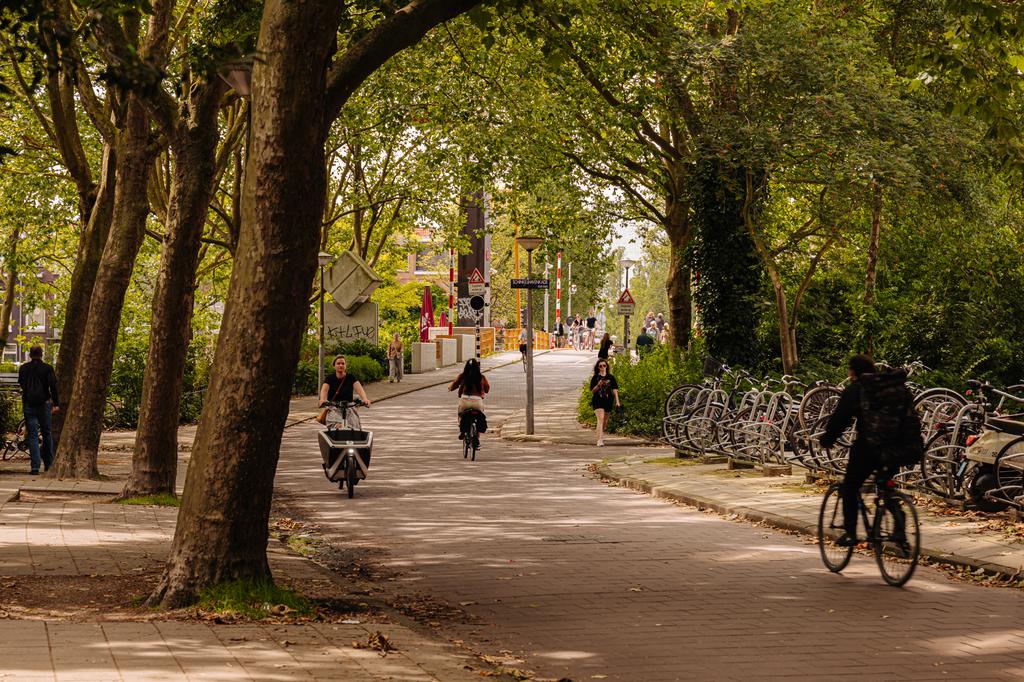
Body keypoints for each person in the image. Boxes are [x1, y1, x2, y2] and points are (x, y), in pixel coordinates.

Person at [820, 354, 921, 547]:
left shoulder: (858, 389)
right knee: (884, 484)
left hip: (871, 448)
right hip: (902, 447)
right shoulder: (895, 386)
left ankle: (850, 533)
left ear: (853, 372)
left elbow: (840, 418)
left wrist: (827, 439)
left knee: (850, 487)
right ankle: (898, 526)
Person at [18, 345, 58, 475]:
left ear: (30, 355)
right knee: (47, 433)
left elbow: (22, 384)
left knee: (33, 435)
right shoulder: (47, 368)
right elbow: (53, 386)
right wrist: (56, 403)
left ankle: (35, 467)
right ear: (41, 354)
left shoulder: (23, 368)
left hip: (29, 404)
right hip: (44, 404)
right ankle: (48, 464)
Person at [319, 355, 372, 427]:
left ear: (346, 365)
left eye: (343, 363)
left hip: (349, 407)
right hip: (334, 408)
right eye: (338, 363)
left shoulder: (351, 377)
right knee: (337, 425)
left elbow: (359, 389)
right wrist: (322, 400)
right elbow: (324, 390)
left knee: (354, 427)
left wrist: (365, 399)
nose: (340, 365)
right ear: (334, 366)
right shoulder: (330, 378)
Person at [449, 358, 490, 438]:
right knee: (478, 418)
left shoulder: (463, 376)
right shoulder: (482, 377)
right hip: (477, 402)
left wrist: (450, 388)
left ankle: (462, 430)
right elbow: (487, 389)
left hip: (465, 401)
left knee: (460, 414)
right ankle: (477, 440)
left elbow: (454, 384)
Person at [590, 359, 620, 447]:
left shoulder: (611, 377)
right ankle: (599, 440)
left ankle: (600, 435)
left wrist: (617, 401)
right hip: (597, 400)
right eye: (600, 366)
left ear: (607, 366)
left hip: (608, 401)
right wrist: (598, 385)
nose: (602, 367)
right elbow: (593, 391)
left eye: (604, 365)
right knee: (601, 419)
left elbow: (615, 390)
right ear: (598, 368)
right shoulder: (595, 378)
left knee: (605, 422)